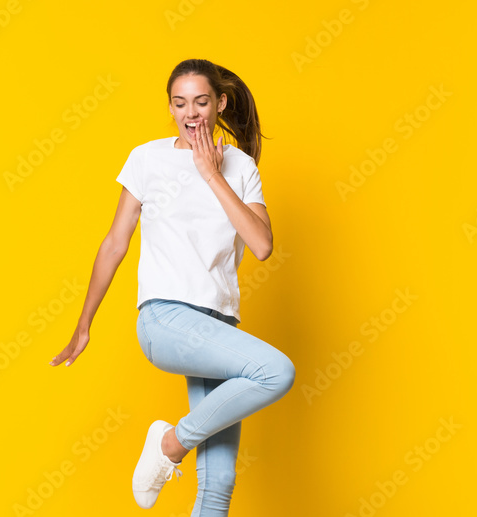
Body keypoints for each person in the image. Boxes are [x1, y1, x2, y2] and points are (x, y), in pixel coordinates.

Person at [48, 58, 296, 516]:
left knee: (218, 482)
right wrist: (84, 324)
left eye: (201, 102)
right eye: (180, 103)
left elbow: (261, 245)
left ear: (219, 102)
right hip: (165, 319)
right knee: (275, 371)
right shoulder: (148, 159)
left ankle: (169, 445)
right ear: (170, 107)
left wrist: (212, 173)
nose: (191, 113)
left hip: (218, 326)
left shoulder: (238, 165)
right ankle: (168, 444)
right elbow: (114, 244)